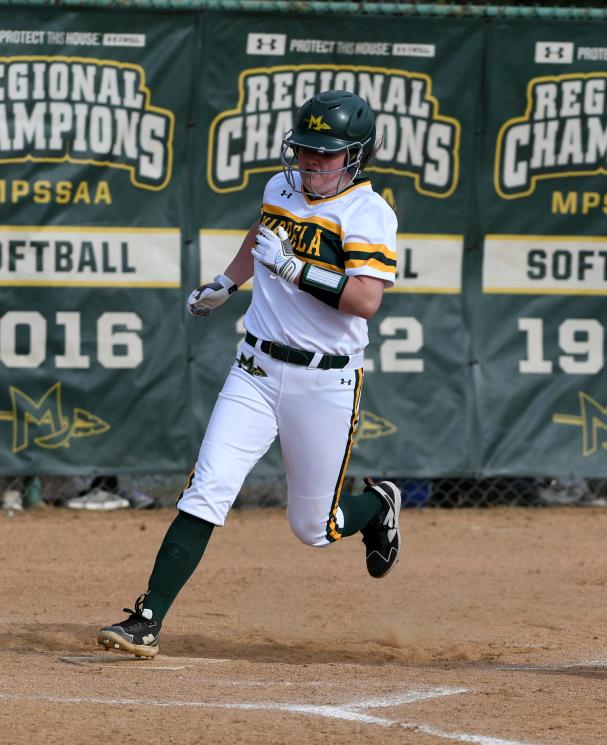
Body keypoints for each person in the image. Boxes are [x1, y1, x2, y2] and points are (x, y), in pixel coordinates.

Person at [97, 90, 401, 659]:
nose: (313, 162)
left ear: (356, 156)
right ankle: (146, 618)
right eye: (307, 149)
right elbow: (260, 238)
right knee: (206, 488)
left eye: (327, 154)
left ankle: (378, 506)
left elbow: (363, 300)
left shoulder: (368, 213)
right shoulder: (281, 187)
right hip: (255, 369)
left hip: (325, 380)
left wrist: (296, 268)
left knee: (313, 528)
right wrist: (228, 282)